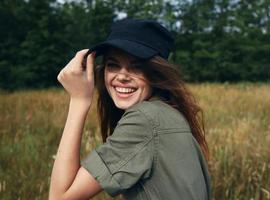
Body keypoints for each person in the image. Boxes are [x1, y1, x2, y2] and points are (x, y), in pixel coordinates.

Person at [49, 19, 211, 200]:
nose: (122, 76)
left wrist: (79, 101)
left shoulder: (145, 120)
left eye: (137, 67)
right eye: (113, 65)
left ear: (156, 72)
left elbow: (59, 197)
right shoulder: (167, 113)